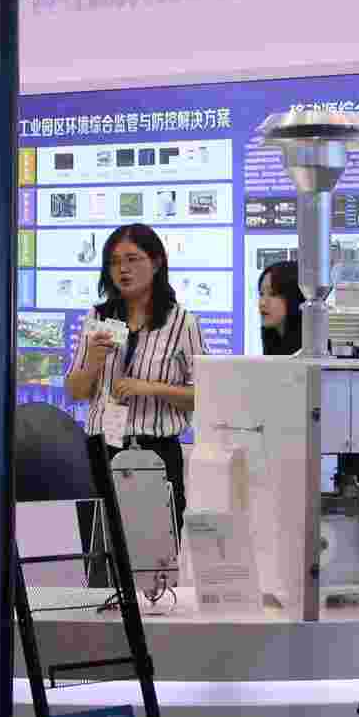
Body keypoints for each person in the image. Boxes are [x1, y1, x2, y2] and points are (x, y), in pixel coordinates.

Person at [65, 225, 211, 529]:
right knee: (101, 542)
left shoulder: (182, 323)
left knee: (155, 547)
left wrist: (150, 388)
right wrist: (92, 363)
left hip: (155, 453)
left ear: (156, 263)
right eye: (114, 262)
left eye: (132, 259)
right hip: (102, 447)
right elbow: (75, 392)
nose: (123, 269)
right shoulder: (98, 317)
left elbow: (206, 396)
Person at [257, 260, 306, 357]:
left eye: (273, 294)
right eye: (261, 294)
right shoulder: (273, 341)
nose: (262, 303)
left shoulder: (313, 348)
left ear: (293, 297)